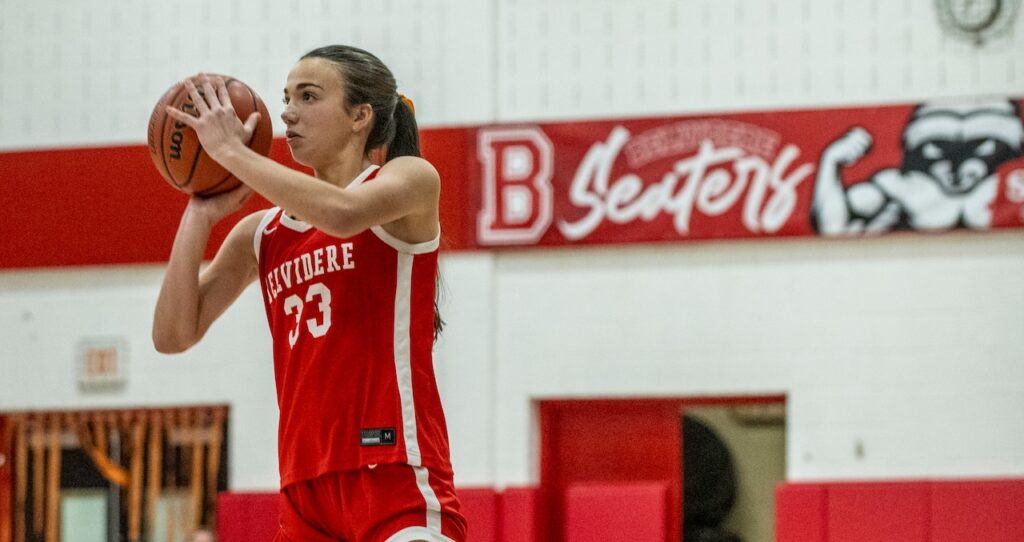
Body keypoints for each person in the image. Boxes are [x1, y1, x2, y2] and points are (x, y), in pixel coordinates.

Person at [152, 45, 465, 542]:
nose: (287, 111)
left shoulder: (409, 179)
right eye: (286, 97)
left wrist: (231, 152)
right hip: (304, 489)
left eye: (309, 96)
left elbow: (341, 215)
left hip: (391, 471)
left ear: (360, 116)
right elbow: (173, 334)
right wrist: (199, 212)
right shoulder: (263, 232)